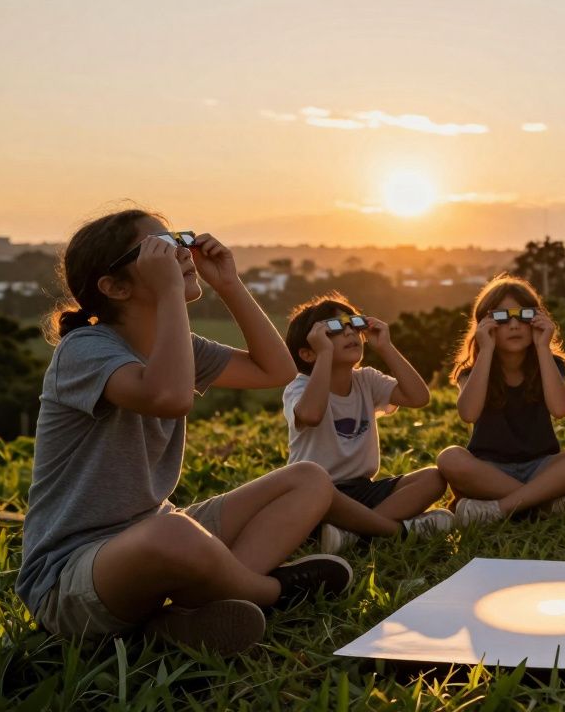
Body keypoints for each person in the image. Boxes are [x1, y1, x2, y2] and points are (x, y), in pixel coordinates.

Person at [18, 210, 352, 656]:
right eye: (160, 249)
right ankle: (270, 591)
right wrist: (173, 290)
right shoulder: (84, 350)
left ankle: (174, 622)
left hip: (153, 536)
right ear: (116, 287)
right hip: (69, 577)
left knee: (308, 478)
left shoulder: (179, 348)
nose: (181, 252)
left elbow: (276, 369)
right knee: (174, 533)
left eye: (179, 240)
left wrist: (229, 284)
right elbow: (170, 397)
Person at [282, 293, 452, 553]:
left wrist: (386, 347)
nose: (350, 332)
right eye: (335, 329)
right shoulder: (300, 387)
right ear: (308, 353)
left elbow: (419, 397)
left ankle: (352, 535)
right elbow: (312, 415)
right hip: (319, 493)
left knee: (433, 478)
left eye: (354, 324)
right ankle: (398, 531)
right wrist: (325, 354)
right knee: (318, 506)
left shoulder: (366, 380)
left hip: (363, 489)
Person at [436, 273, 565, 525]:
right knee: (449, 458)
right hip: (490, 469)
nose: (514, 325)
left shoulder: (549, 363)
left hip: (542, 467)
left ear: (537, 320)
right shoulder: (473, 370)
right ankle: (546, 504)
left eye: (524, 316)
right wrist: (487, 350)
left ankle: (500, 509)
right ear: (485, 325)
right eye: (501, 318)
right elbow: (468, 413)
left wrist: (543, 348)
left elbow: (560, 409)